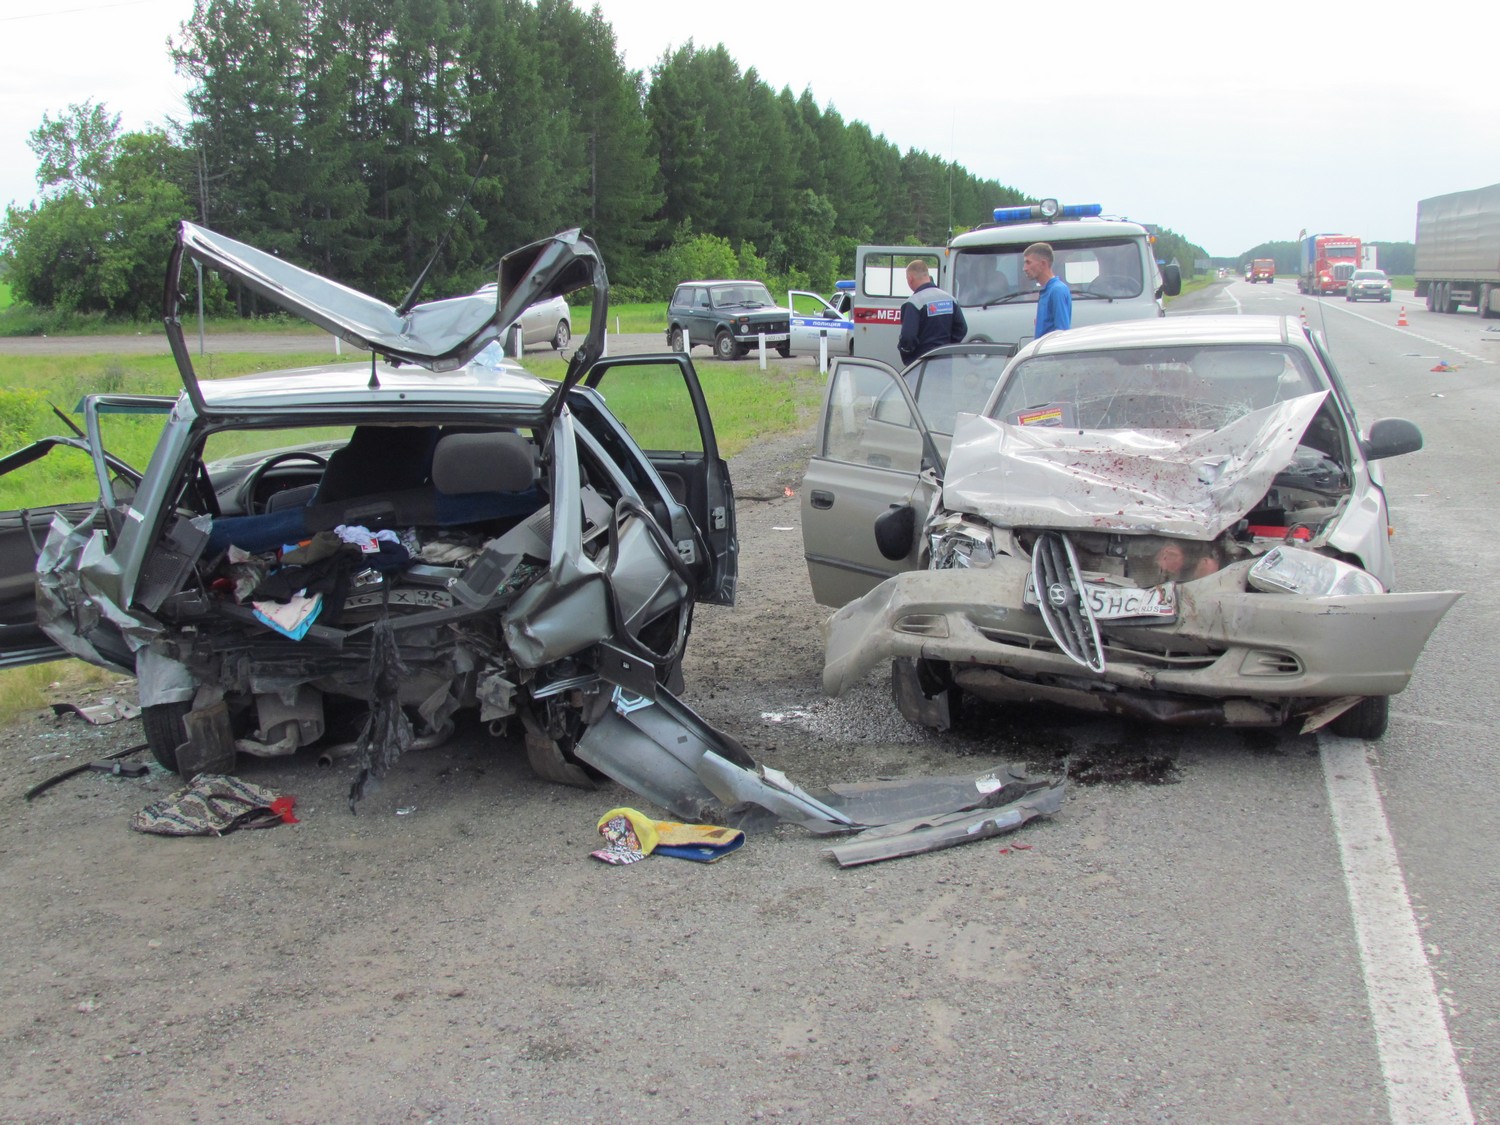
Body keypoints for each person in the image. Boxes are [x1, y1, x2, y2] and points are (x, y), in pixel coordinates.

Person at [897, 259, 967, 366]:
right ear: (927, 276)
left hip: (922, 363)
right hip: (945, 360)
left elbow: (908, 338)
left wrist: (908, 356)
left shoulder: (913, 303)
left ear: (910, 278)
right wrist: (947, 347)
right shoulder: (950, 299)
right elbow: (962, 329)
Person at [1023, 242, 1072, 338]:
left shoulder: (1057, 290)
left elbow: (1062, 332)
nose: (1025, 268)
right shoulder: (1047, 290)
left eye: (1028, 262)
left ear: (1043, 264)